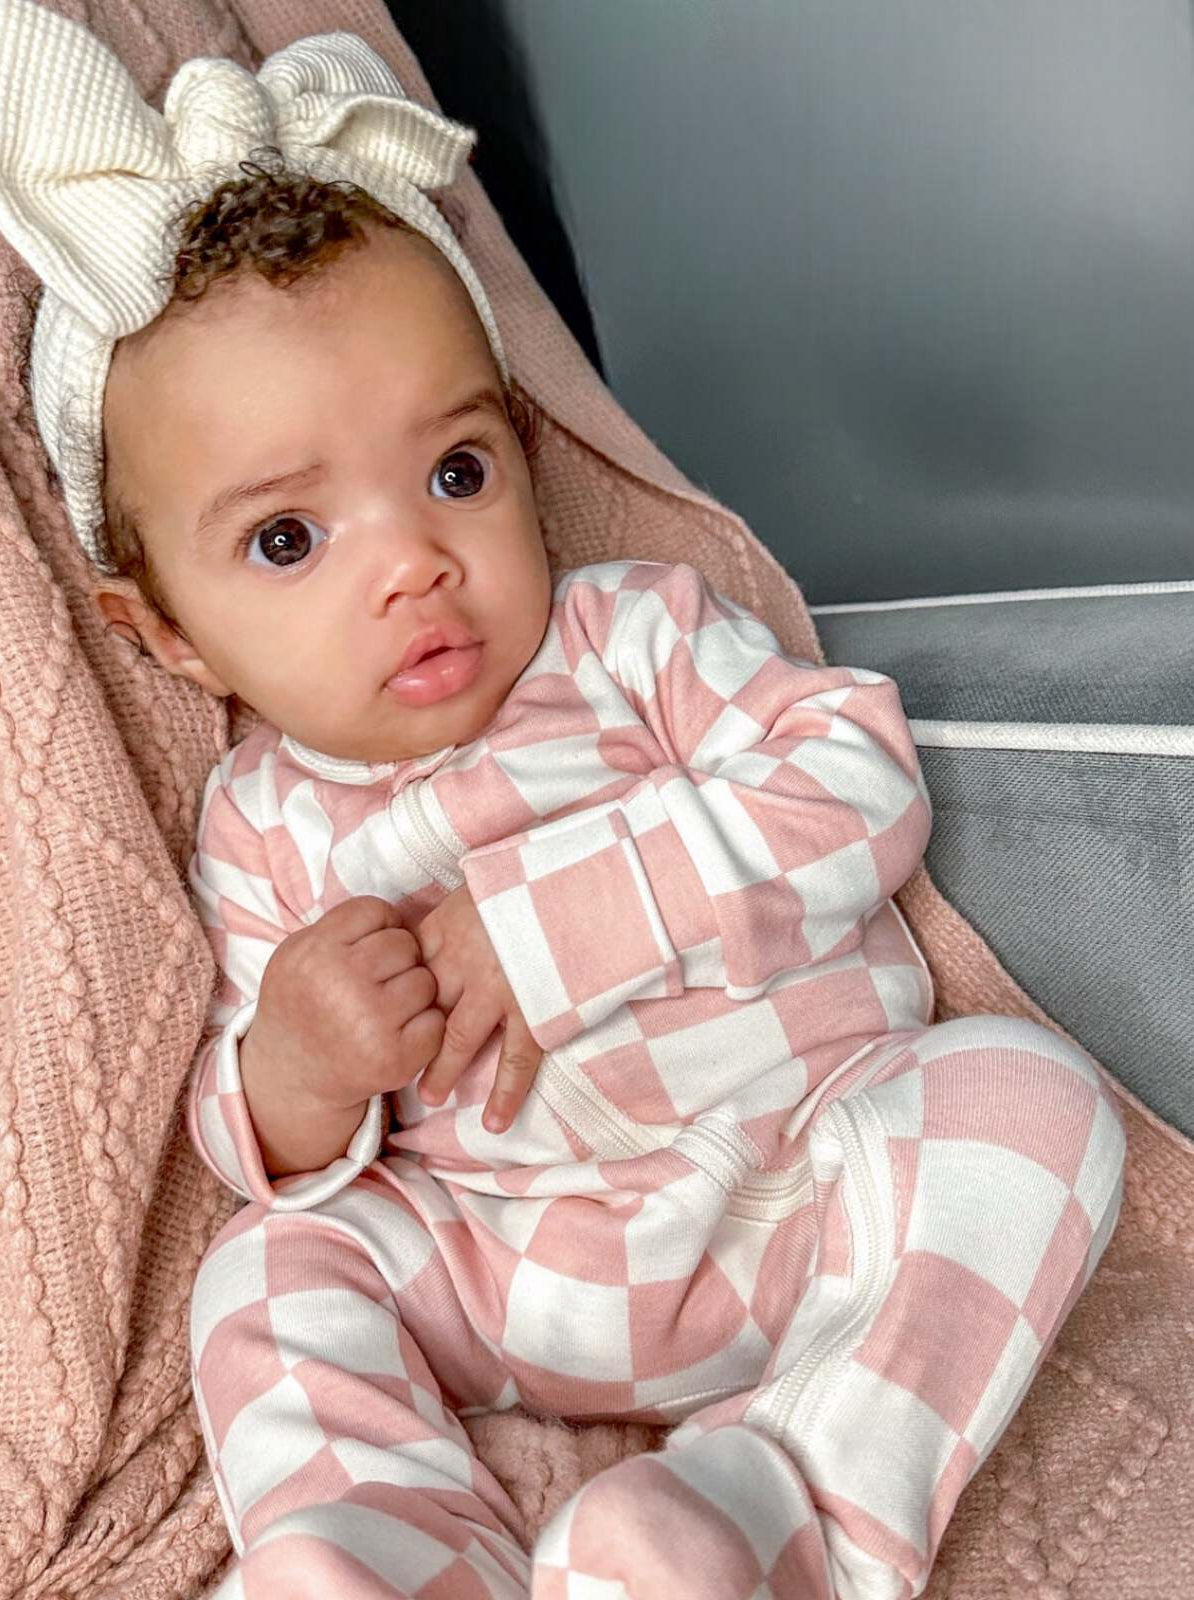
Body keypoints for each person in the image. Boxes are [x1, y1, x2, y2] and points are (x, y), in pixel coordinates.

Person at [0, 7, 1126, 1596]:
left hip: (790, 1186)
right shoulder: (262, 826)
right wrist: (302, 1067)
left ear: (526, 456)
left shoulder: (636, 639)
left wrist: (556, 928)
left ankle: (799, 1505)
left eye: (455, 472)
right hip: (505, 1270)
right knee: (268, 1266)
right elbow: (263, 1144)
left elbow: (852, 786)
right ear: (163, 631)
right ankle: (389, 1550)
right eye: (285, 541)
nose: (411, 563)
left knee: (1023, 1100)